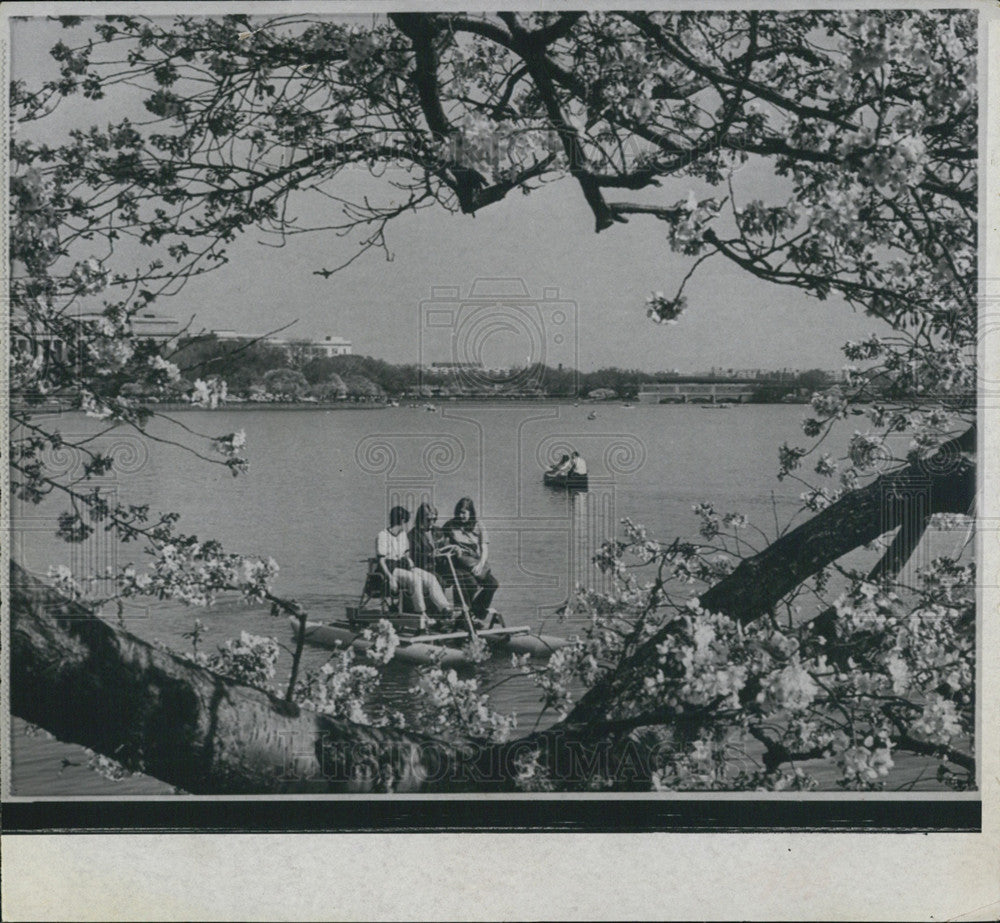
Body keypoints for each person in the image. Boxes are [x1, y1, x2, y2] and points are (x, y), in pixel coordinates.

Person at [375, 506, 449, 629]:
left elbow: (405, 554)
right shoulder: (382, 535)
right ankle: (422, 613)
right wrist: (391, 578)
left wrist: (411, 564)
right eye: (405, 522)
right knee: (415, 579)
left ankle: (444, 607)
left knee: (430, 578)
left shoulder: (403, 534)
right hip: (391, 568)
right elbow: (381, 560)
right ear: (402, 521)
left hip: (404, 565)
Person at [442, 497, 500, 627]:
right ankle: (465, 616)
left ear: (470, 513)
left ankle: (475, 614)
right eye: (459, 513)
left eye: (464, 513)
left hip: (474, 561)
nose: (461, 516)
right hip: (459, 563)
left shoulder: (478, 525)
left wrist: (480, 564)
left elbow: (484, 548)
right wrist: (452, 548)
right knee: (471, 584)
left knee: (493, 584)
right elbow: (442, 543)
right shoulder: (450, 525)